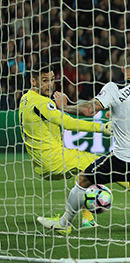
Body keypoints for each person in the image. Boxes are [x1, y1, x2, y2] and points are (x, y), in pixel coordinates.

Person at [37, 49, 130, 240]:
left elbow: (88, 110)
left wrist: (64, 106)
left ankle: (64, 224)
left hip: (123, 158)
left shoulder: (114, 87)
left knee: (83, 179)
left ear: (123, 68)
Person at [19, 63, 114, 228]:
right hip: (54, 159)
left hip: (44, 162)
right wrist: (101, 127)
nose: (49, 84)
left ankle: (87, 218)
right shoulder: (40, 102)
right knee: (107, 164)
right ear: (33, 82)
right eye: (44, 80)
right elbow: (68, 123)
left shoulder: (25, 98)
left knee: (85, 174)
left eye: (51, 80)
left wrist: (58, 107)